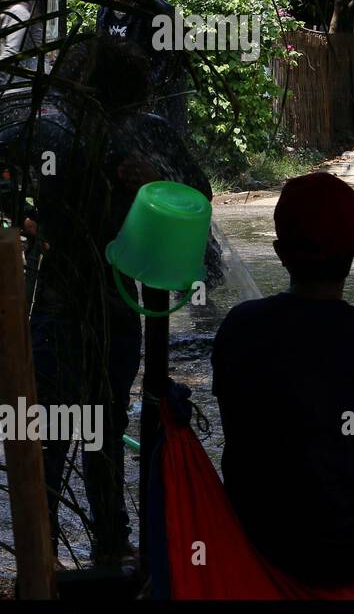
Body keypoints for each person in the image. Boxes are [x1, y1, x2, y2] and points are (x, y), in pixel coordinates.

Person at [0, 37, 210, 565]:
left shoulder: (144, 135)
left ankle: (108, 543)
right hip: (60, 296)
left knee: (104, 424)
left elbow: (197, 193)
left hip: (116, 299)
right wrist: (25, 217)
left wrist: (155, 180)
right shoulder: (50, 131)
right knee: (57, 428)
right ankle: (47, 552)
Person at [212, 172, 354, 585]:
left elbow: (249, 440)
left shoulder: (239, 324)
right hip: (337, 542)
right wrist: (341, 458)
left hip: (251, 527)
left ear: (280, 252)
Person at [94, 0, 186, 133]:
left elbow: (168, 69)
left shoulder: (157, 12)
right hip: (117, 114)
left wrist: (136, 96)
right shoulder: (105, 10)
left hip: (154, 118)